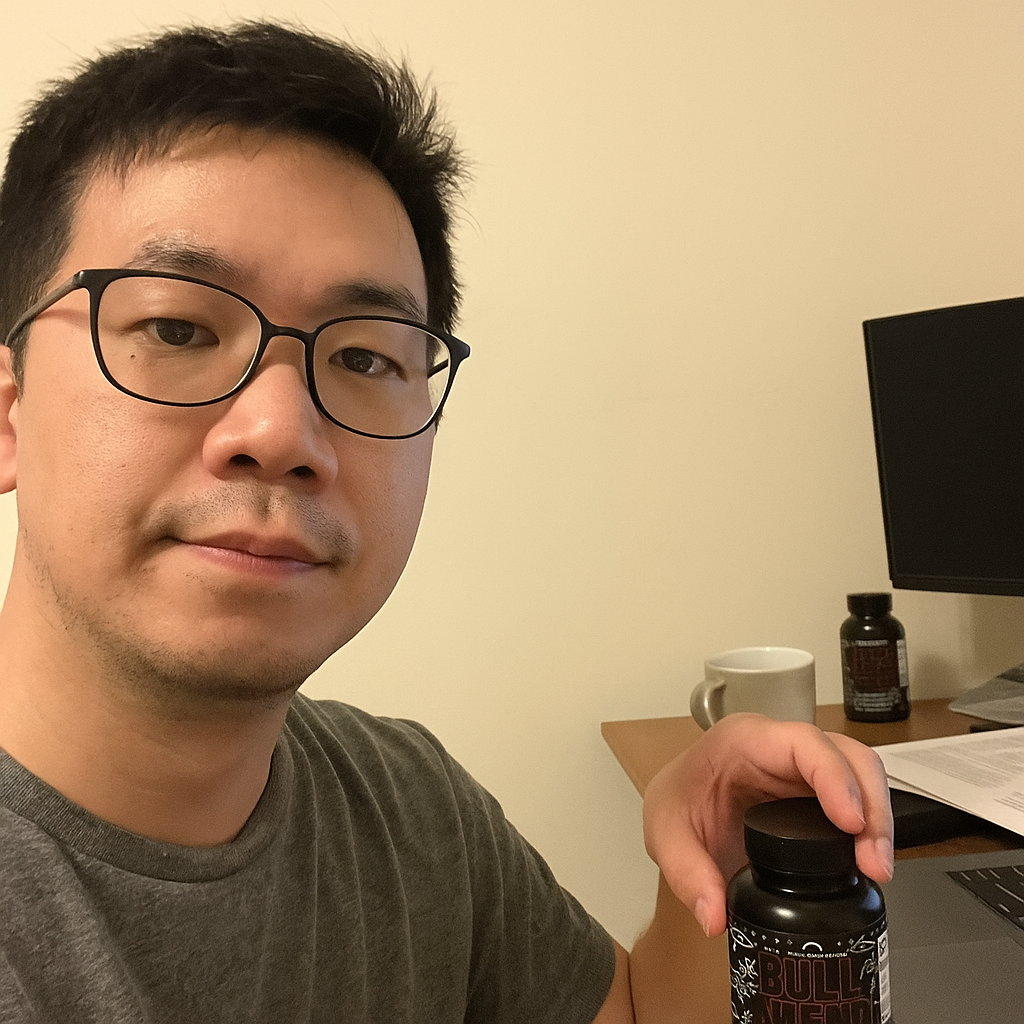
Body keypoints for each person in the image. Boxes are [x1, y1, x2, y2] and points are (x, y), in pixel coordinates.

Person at [0, 20, 893, 1023]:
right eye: (176, 327)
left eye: (365, 357)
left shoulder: (406, 808)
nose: (281, 430)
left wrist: (719, 877)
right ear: (9, 414)